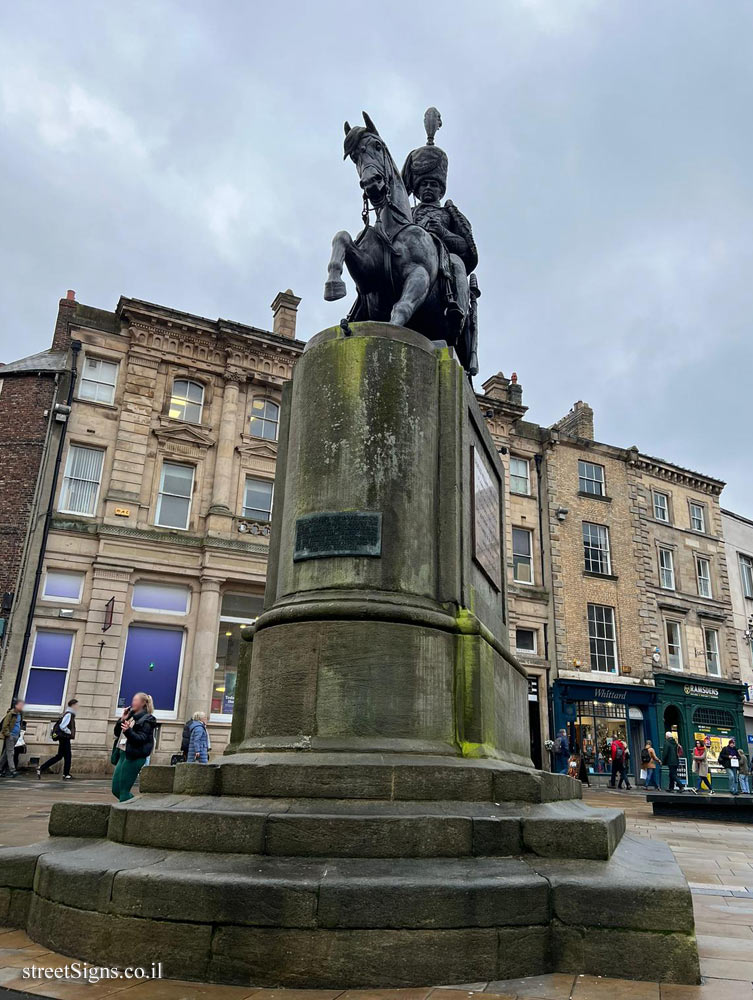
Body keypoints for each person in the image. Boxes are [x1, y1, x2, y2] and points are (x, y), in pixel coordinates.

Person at [111, 692, 157, 802]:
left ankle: (129, 811)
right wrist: (122, 719)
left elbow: (140, 739)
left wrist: (128, 731)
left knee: (123, 792)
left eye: (136, 700)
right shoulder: (130, 717)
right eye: (133, 700)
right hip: (123, 753)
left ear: (143, 703)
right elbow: (117, 733)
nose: (133, 702)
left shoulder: (148, 719)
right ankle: (134, 805)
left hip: (134, 756)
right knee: (116, 790)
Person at [37, 698, 78, 780]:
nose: (77, 707)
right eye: (76, 705)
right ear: (72, 706)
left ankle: (41, 768)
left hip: (63, 738)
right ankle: (66, 774)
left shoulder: (68, 713)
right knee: (68, 756)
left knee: (59, 756)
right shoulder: (69, 714)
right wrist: (69, 732)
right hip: (65, 737)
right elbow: (62, 726)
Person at [0, 699, 24, 778]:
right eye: (20, 705)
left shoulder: (20, 714)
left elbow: (19, 724)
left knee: (6, 753)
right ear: (16, 705)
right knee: (10, 752)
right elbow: (5, 725)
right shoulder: (11, 714)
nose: (22, 706)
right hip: (10, 735)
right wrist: (8, 734)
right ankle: (12, 770)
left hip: (16, 736)